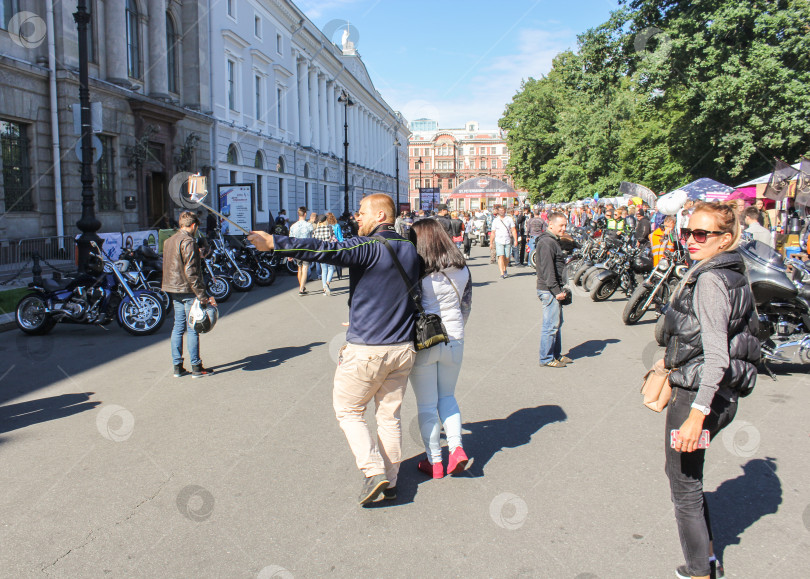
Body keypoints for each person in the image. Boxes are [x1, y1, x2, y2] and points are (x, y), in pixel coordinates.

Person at [247, 194, 418, 506]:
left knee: (349, 410)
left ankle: (373, 471)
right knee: (389, 417)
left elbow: (327, 250)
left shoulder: (368, 247)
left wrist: (275, 243)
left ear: (381, 215)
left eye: (362, 212)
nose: (357, 217)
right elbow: (391, 294)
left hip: (369, 349)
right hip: (402, 348)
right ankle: (391, 482)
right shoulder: (409, 248)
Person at [660, 201, 759, 579]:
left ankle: (699, 570)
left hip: (698, 397)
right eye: (687, 232)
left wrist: (696, 416)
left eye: (702, 234)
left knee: (684, 487)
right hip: (717, 392)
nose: (691, 240)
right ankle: (710, 558)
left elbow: (717, 356)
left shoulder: (710, 280)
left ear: (726, 239)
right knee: (689, 480)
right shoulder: (732, 270)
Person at [407, 219, 473, 479]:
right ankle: (457, 449)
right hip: (455, 337)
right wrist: (457, 331)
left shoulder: (417, 269)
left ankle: (434, 462)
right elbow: (465, 305)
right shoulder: (462, 267)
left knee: (426, 404)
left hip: (426, 340)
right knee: (448, 397)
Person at [162, 211, 216, 378]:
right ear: (193, 225)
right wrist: (202, 295)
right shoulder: (189, 241)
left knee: (178, 327)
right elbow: (191, 272)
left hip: (172, 288)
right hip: (187, 289)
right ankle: (196, 367)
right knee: (193, 328)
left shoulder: (169, 241)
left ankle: (177, 366)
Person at [535, 212, 571, 368]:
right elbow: (548, 270)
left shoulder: (553, 241)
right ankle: (546, 358)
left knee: (556, 323)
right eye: (561, 225)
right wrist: (556, 291)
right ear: (551, 225)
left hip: (553, 288)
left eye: (565, 225)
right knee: (550, 326)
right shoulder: (547, 243)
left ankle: (556, 354)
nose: (564, 228)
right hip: (549, 290)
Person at [289, 207, 314, 295]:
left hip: (296, 249)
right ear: (305, 214)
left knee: (299, 268)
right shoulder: (309, 225)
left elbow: (290, 240)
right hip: (306, 249)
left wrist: (290, 253)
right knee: (305, 268)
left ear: (298, 214)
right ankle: (301, 288)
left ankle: (301, 286)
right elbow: (312, 238)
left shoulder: (293, 226)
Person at [489, 205, 517, 278]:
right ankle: (502, 272)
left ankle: (504, 268)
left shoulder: (509, 219)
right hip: (499, 240)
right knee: (501, 256)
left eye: (503, 210)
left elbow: (513, 230)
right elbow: (493, 232)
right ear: (498, 211)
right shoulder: (495, 220)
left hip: (507, 240)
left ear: (505, 211)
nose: (501, 211)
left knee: (507, 257)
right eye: (500, 210)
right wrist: (491, 242)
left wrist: (515, 240)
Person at [312, 214, 336, 294]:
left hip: (320, 252)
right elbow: (333, 239)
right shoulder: (329, 228)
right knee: (331, 268)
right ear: (325, 220)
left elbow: (314, 241)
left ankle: (324, 288)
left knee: (324, 270)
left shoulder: (316, 230)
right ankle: (327, 283)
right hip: (328, 251)